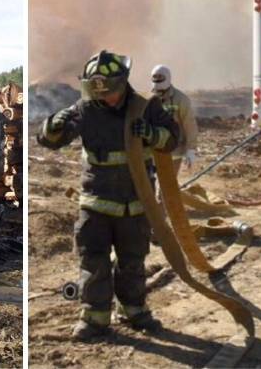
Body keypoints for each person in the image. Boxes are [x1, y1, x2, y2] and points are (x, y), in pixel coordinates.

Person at [37, 50, 180, 341]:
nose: (107, 98)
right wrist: (53, 125)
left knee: (132, 261)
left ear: (122, 83)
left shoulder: (146, 107)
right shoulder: (86, 108)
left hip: (135, 202)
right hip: (96, 203)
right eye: (99, 92)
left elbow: (172, 138)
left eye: (111, 92)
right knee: (94, 261)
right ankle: (95, 319)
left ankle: (134, 310)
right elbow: (51, 141)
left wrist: (151, 133)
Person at [150, 64, 198, 174]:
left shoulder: (181, 99)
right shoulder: (148, 98)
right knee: (150, 183)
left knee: (167, 185)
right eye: (155, 78)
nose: (157, 81)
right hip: (153, 150)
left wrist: (191, 149)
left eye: (160, 78)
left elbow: (189, 125)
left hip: (174, 150)